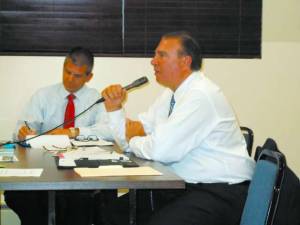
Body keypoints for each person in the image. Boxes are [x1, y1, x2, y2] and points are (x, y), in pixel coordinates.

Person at [100, 31, 255, 225]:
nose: (153, 61)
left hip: (220, 191)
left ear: (185, 61)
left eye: (161, 55)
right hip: (184, 185)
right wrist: (114, 109)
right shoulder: (170, 94)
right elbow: (133, 135)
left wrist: (134, 139)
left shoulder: (200, 95)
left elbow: (160, 150)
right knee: (112, 210)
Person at [5, 47, 114, 225]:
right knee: (21, 195)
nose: (70, 79)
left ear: (89, 77)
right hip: (44, 166)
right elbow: (22, 128)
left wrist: (75, 131)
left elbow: (109, 131)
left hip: (81, 171)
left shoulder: (96, 99)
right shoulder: (43, 96)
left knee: (85, 202)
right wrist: (23, 132)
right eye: (67, 72)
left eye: (77, 75)